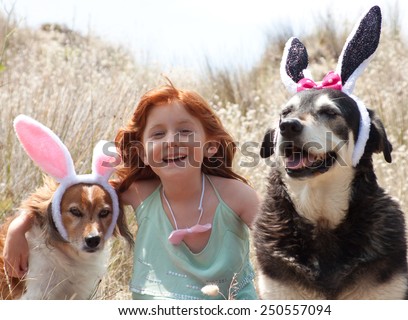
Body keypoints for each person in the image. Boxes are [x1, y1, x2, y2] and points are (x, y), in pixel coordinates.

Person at [3, 82, 259, 300]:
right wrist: (18, 227)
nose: (171, 140)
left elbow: (280, 236)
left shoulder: (235, 195)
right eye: (158, 134)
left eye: (185, 131)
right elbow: (68, 197)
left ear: (211, 146)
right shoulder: (139, 192)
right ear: (142, 152)